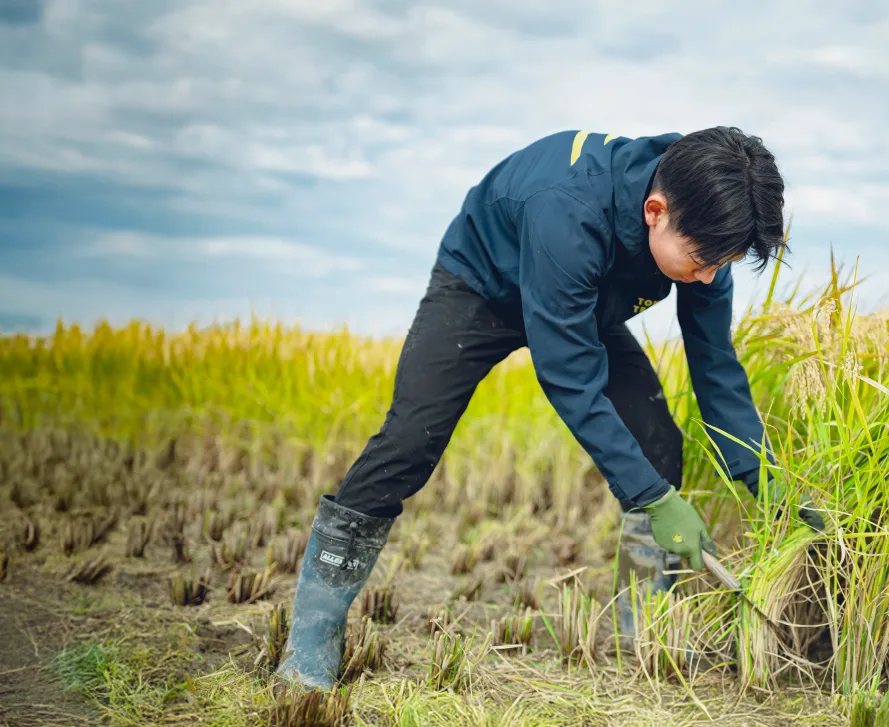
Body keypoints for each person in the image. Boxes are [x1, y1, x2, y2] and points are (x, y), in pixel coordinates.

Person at [275, 126, 822, 692]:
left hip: (584, 304)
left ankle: (641, 636)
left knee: (658, 441)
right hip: (484, 286)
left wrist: (764, 476)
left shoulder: (707, 221)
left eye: (722, 265)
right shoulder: (568, 209)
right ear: (655, 211)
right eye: (703, 261)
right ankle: (312, 638)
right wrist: (654, 498)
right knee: (409, 442)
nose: (708, 277)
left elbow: (714, 363)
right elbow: (569, 373)